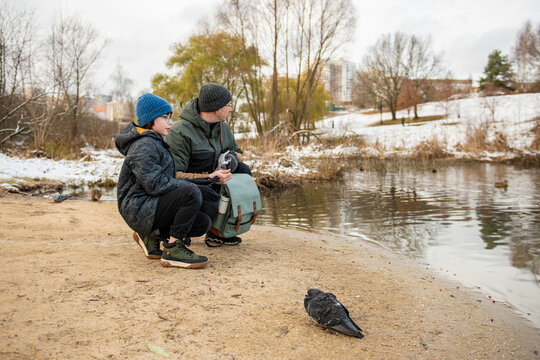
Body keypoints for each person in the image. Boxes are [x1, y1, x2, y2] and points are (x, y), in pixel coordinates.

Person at [116, 93, 220, 269]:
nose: (171, 122)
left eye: (171, 117)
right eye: (165, 117)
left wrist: (204, 181)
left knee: (202, 222)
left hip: (149, 204)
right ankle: (172, 250)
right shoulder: (144, 145)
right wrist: (193, 187)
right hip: (138, 208)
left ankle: (152, 236)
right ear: (150, 120)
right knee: (191, 193)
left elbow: (167, 180)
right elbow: (154, 183)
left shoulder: (156, 142)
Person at [165, 83, 252, 247]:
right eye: (228, 105)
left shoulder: (223, 128)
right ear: (216, 108)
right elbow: (174, 175)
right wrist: (209, 178)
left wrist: (233, 157)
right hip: (191, 189)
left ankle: (219, 232)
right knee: (208, 210)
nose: (231, 109)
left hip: (216, 182)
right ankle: (167, 233)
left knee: (244, 170)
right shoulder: (179, 132)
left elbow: (238, 152)